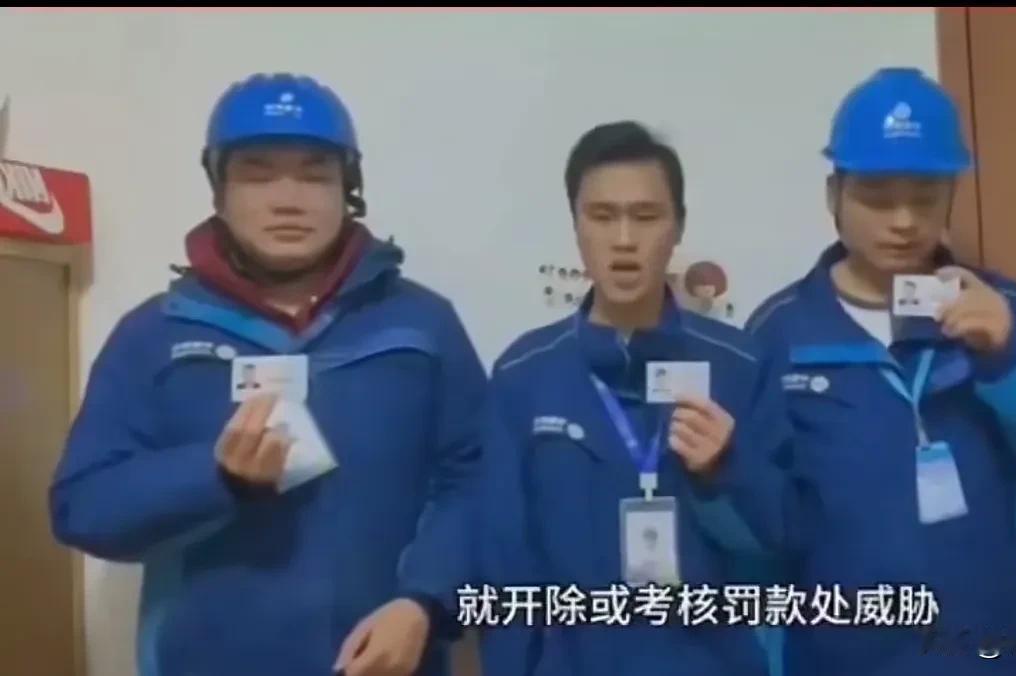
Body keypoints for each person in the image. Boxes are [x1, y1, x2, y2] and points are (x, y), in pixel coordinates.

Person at [48, 72, 487, 676]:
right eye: (258, 174)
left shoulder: (421, 325)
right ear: (219, 189)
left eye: (315, 174)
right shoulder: (154, 335)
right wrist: (215, 476)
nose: (289, 199)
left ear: (349, 189)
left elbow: (475, 482)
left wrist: (426, 603)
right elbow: (83, 508)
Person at [746, 66, 1016, 676]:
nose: (903, 221)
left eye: (924, 197)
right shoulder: (779, 333)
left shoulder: (1014, 315)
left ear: (951, 195)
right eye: (877, 196)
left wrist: (1004, 359)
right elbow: (758, 526)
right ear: (834, 196)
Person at [474, 120, 807, 676]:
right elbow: (505, 566)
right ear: (576, 226)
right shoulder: (523, 375)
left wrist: (725, 470)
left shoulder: (741, 365)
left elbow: (784, 540)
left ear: (678, 227)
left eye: (646, 216)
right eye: (602, 216)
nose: (624, 240)